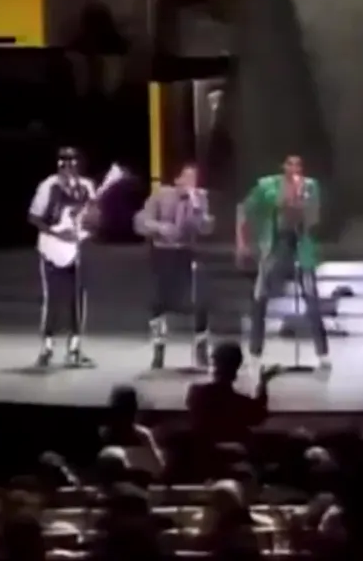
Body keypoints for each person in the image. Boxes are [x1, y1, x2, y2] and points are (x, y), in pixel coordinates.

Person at [237, 154, 330, 372]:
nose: (294, 168)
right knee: (260, 299)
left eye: (298, 164)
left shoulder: (310, 186)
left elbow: (313, 218)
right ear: (283, 166)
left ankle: (323, 354)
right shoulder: (267, 186)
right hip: (275, 247)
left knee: (312, 300)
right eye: (290, 164)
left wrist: (299, 204)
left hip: (301, 246)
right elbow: (245, 208)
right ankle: (255, 353)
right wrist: (243, 242)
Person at [134, 161, 216, 370]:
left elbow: (206, 228)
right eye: (187, 177)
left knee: (200, 300)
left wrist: (197, 208)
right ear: (177, 179)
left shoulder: (200, 198)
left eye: (194, 179)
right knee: (157, 302)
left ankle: (201, 349)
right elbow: (141, 220)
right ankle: (158, 348)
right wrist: (160, 227)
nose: (191, 182)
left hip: (186, 253)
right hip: (162, 253)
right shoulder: (161, 195)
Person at [27, 146, 100, 367]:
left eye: (72, 163)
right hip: (51, 249)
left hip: (76, 250)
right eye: (63, 163)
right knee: (53, 298)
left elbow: (94, 219)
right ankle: (47, 347)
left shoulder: (86, 186)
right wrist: (57, 233)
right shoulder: (48, 186)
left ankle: (74, 348)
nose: (67, 168)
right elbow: (34, 217)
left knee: (77, 299)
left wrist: (88, 219)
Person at [186, 341, 283, 448]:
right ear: (237, 368)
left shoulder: (196, 393)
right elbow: (259, 415)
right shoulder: (240, 403)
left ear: (214, 363)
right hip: (235, 453)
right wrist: (263, 383)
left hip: (205, 452)